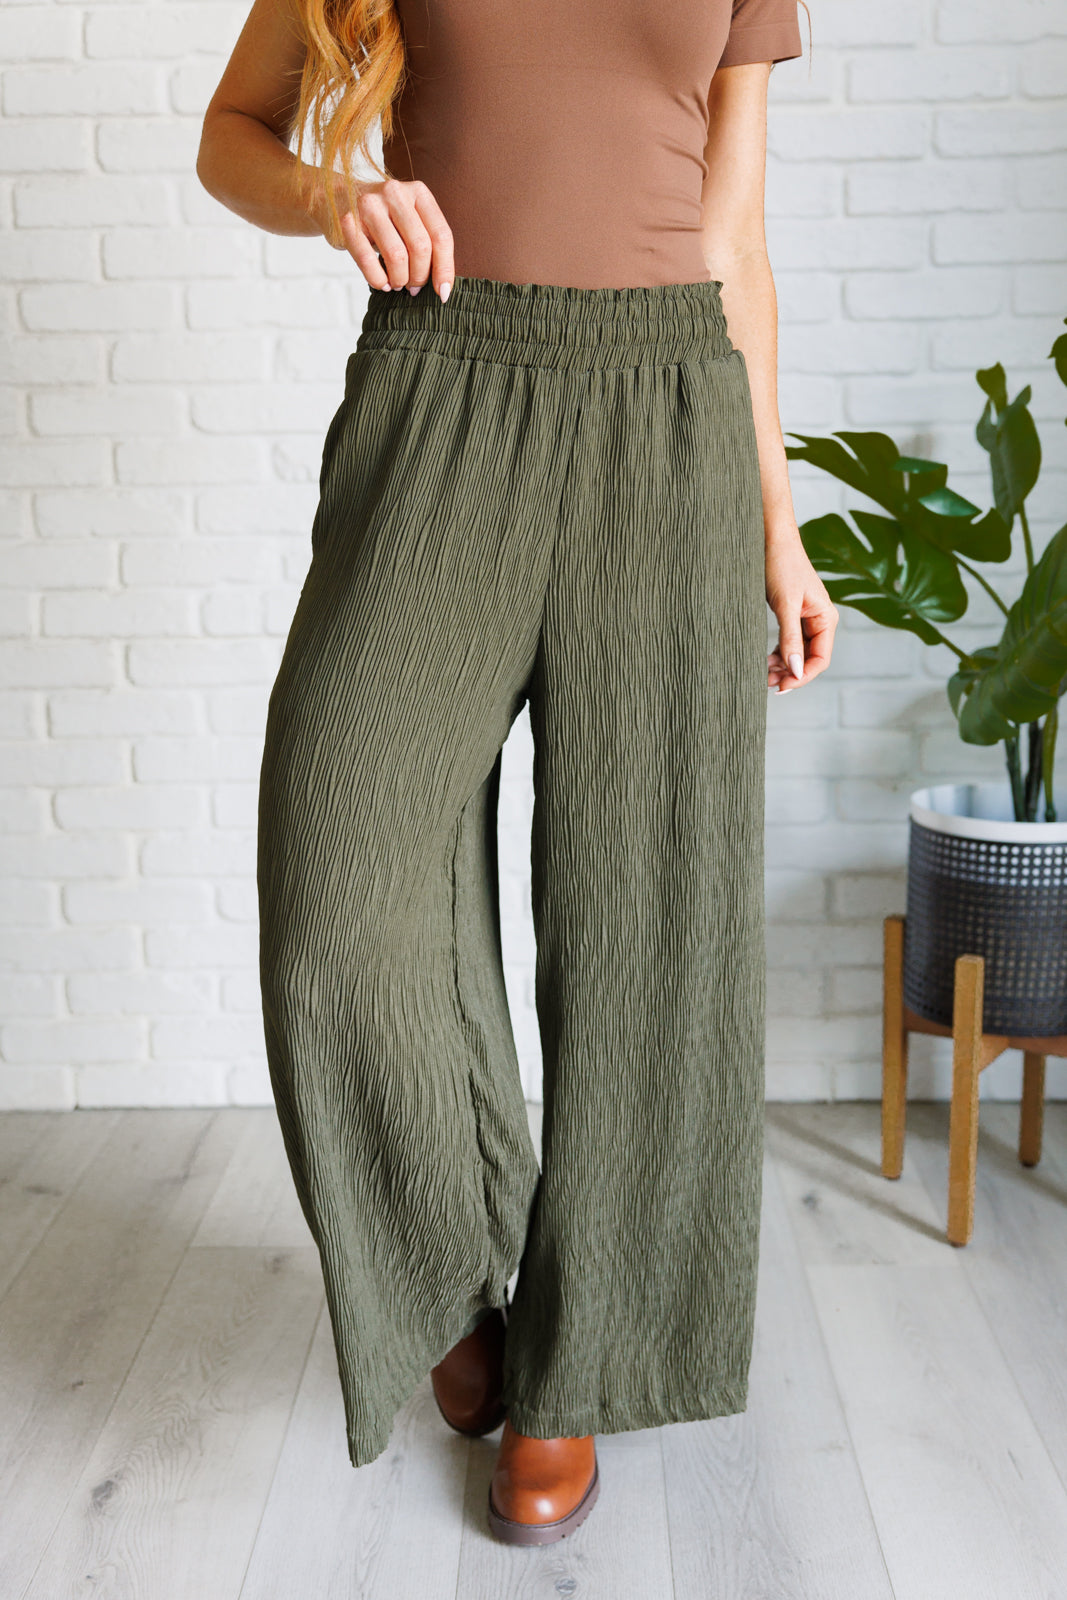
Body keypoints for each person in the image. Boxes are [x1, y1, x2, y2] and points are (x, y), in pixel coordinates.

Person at [196, 0, 837, 1548]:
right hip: (443, 394)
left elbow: (730, 238)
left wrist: (777, 519)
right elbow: (231, 137)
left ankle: (580, 1364)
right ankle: (445, 1277)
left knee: (644, 925)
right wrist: (339, 197)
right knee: (338, 888)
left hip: (670, 417)